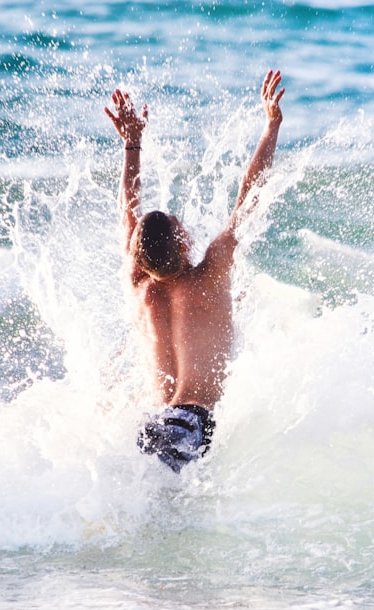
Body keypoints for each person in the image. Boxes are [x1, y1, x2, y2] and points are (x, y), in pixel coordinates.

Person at [104, 70, 285, 471]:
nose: (183, 222)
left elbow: (126, 212)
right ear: (184, 243)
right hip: (193, 423)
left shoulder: (138, 283)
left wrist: (132, 145)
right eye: (178, 222)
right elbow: (249, 194)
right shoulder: (211, 272)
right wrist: (271, 127)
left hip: (150, 422)